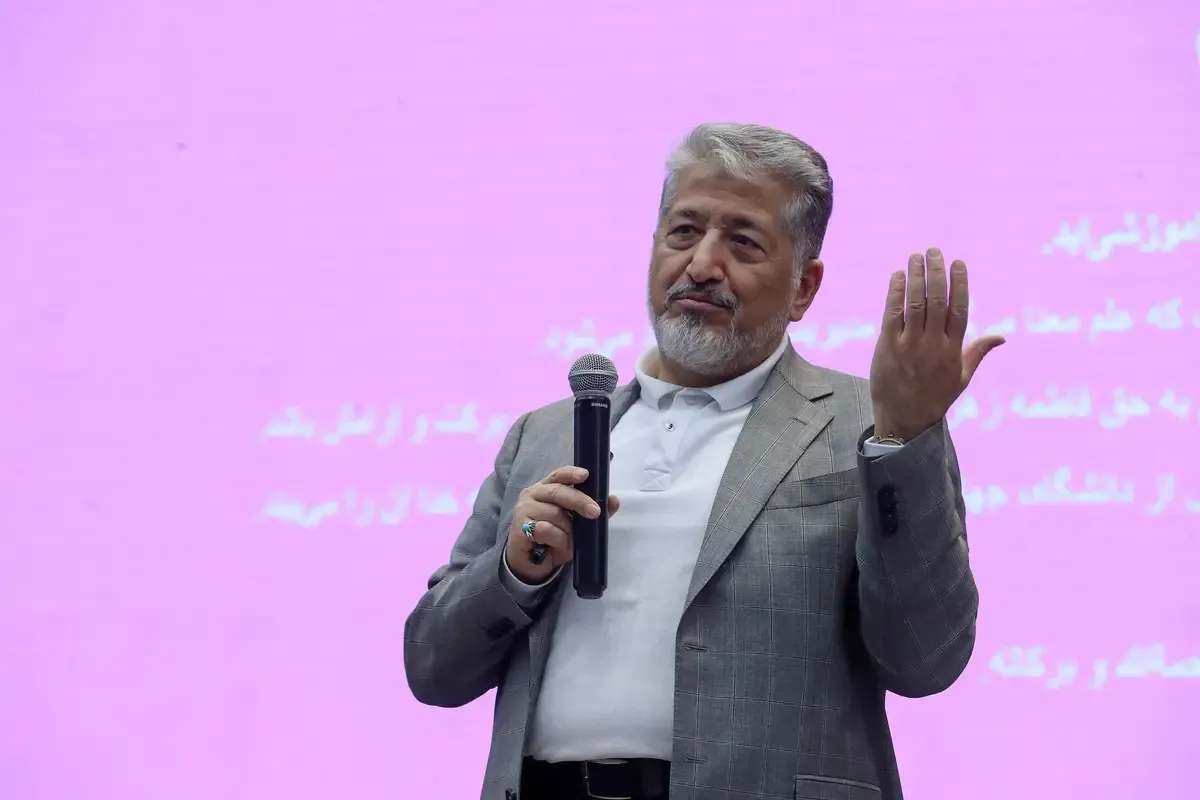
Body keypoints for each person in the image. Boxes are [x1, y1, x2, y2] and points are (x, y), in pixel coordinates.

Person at [404, 122, 1003, 800]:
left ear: (803, 288)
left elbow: (924, 659)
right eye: (684, 232)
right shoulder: (543, 435)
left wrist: (904, 438)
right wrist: (514, 570)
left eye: (742, 242)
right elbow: (431, 667)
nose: (701, 265)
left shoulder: (867, 422)